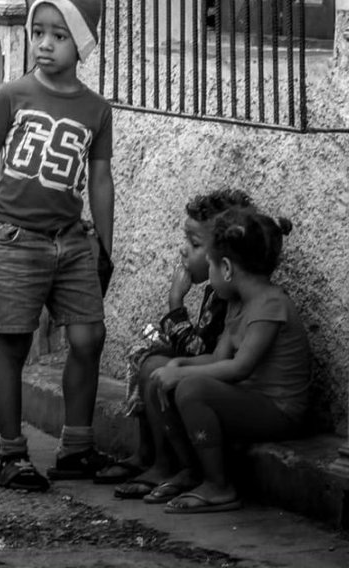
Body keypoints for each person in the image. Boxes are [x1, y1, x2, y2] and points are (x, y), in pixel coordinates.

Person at [0, 0, 113, 492]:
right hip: (17, 239)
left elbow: (100, 180)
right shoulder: (12, 93)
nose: (43, 44)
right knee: (13, 344)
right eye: (38, 32)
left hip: (72, 241)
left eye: (58, 35)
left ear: (81, 43)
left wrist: (105, 244)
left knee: (89, 337)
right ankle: (11, 454)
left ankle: (77, 448)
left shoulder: (95, 110)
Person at [143, 207, 311, 515]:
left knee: (191, 390)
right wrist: (179, 366)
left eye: (209, 264)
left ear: (227, 268)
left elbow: (239, 368)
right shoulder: (237, 304)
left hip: (279, 411)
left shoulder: (270, 305)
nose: (208, 272)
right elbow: (218, 357)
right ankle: (193, 471)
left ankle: (219, 486)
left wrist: (183, 377)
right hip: (249, 400)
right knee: (161, 375)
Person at [95, 187, 254, 497]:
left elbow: (200, 351)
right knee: (148, 353)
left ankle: (173, 464)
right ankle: (150, 455)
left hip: (219, 385)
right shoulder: (215, 291)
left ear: (226, 256)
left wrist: (175, 303)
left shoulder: (230, 298)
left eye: (194, 244)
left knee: (156, 364)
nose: (184, 251)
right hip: (208, 373)